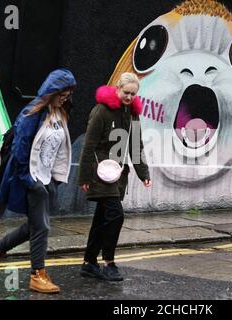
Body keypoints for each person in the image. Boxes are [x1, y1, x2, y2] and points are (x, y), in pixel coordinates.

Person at [0, 68, 76, 294]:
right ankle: (37, 275)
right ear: (51, 89)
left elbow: (59, 149)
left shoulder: (59, 114)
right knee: (41, 226)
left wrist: (55, 179)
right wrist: (28, 179)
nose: (66, 96)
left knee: (34, 226)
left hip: (47, 179)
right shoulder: (32, 112)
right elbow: (20, 147)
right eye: (62, 91)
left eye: (69, 92)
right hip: (33, 178)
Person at [78, 72, 151, 281]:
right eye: (126, 92)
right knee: (115, 215)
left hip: (117, 175)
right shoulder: (101, 111)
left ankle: (89, 262)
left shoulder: (132, 113)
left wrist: (143, 173)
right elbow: (88, 146)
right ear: (117, 89)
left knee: (102, 218)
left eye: (133, 94)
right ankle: (109, 262)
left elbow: (136, 145)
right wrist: (84, 177)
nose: (129, 97)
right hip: (99, 173)